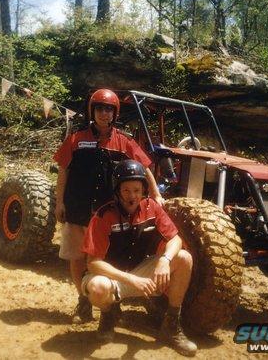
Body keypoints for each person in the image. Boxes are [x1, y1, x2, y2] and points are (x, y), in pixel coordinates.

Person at [54, 89, 164, 324]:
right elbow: (63, 171)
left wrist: (155, 194)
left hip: (106, 214)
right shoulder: (75, 139)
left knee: (107, 259)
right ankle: (83, 303)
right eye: (100, 109)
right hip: (78, 208)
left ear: (115, 113)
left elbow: (144, 167)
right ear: (92, 111)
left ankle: (110, 305)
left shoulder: (124, 141)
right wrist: (59, 202)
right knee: (76, 258)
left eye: (109, 109)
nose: (104, 113)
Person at [81, 160, 197, 357]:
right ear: (117, 191)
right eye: (126, 190)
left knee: (183, 258)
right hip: (111, 277)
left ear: (144, 189)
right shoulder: (103, 216)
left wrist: (165, 259)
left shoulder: (152, 207)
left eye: (137, 190)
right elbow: (93, 263)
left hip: (140, 272)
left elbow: (175, 238)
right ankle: (109, 314)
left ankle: (171, 325)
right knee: (99, 287)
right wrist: (131, 279)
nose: (132, 196)